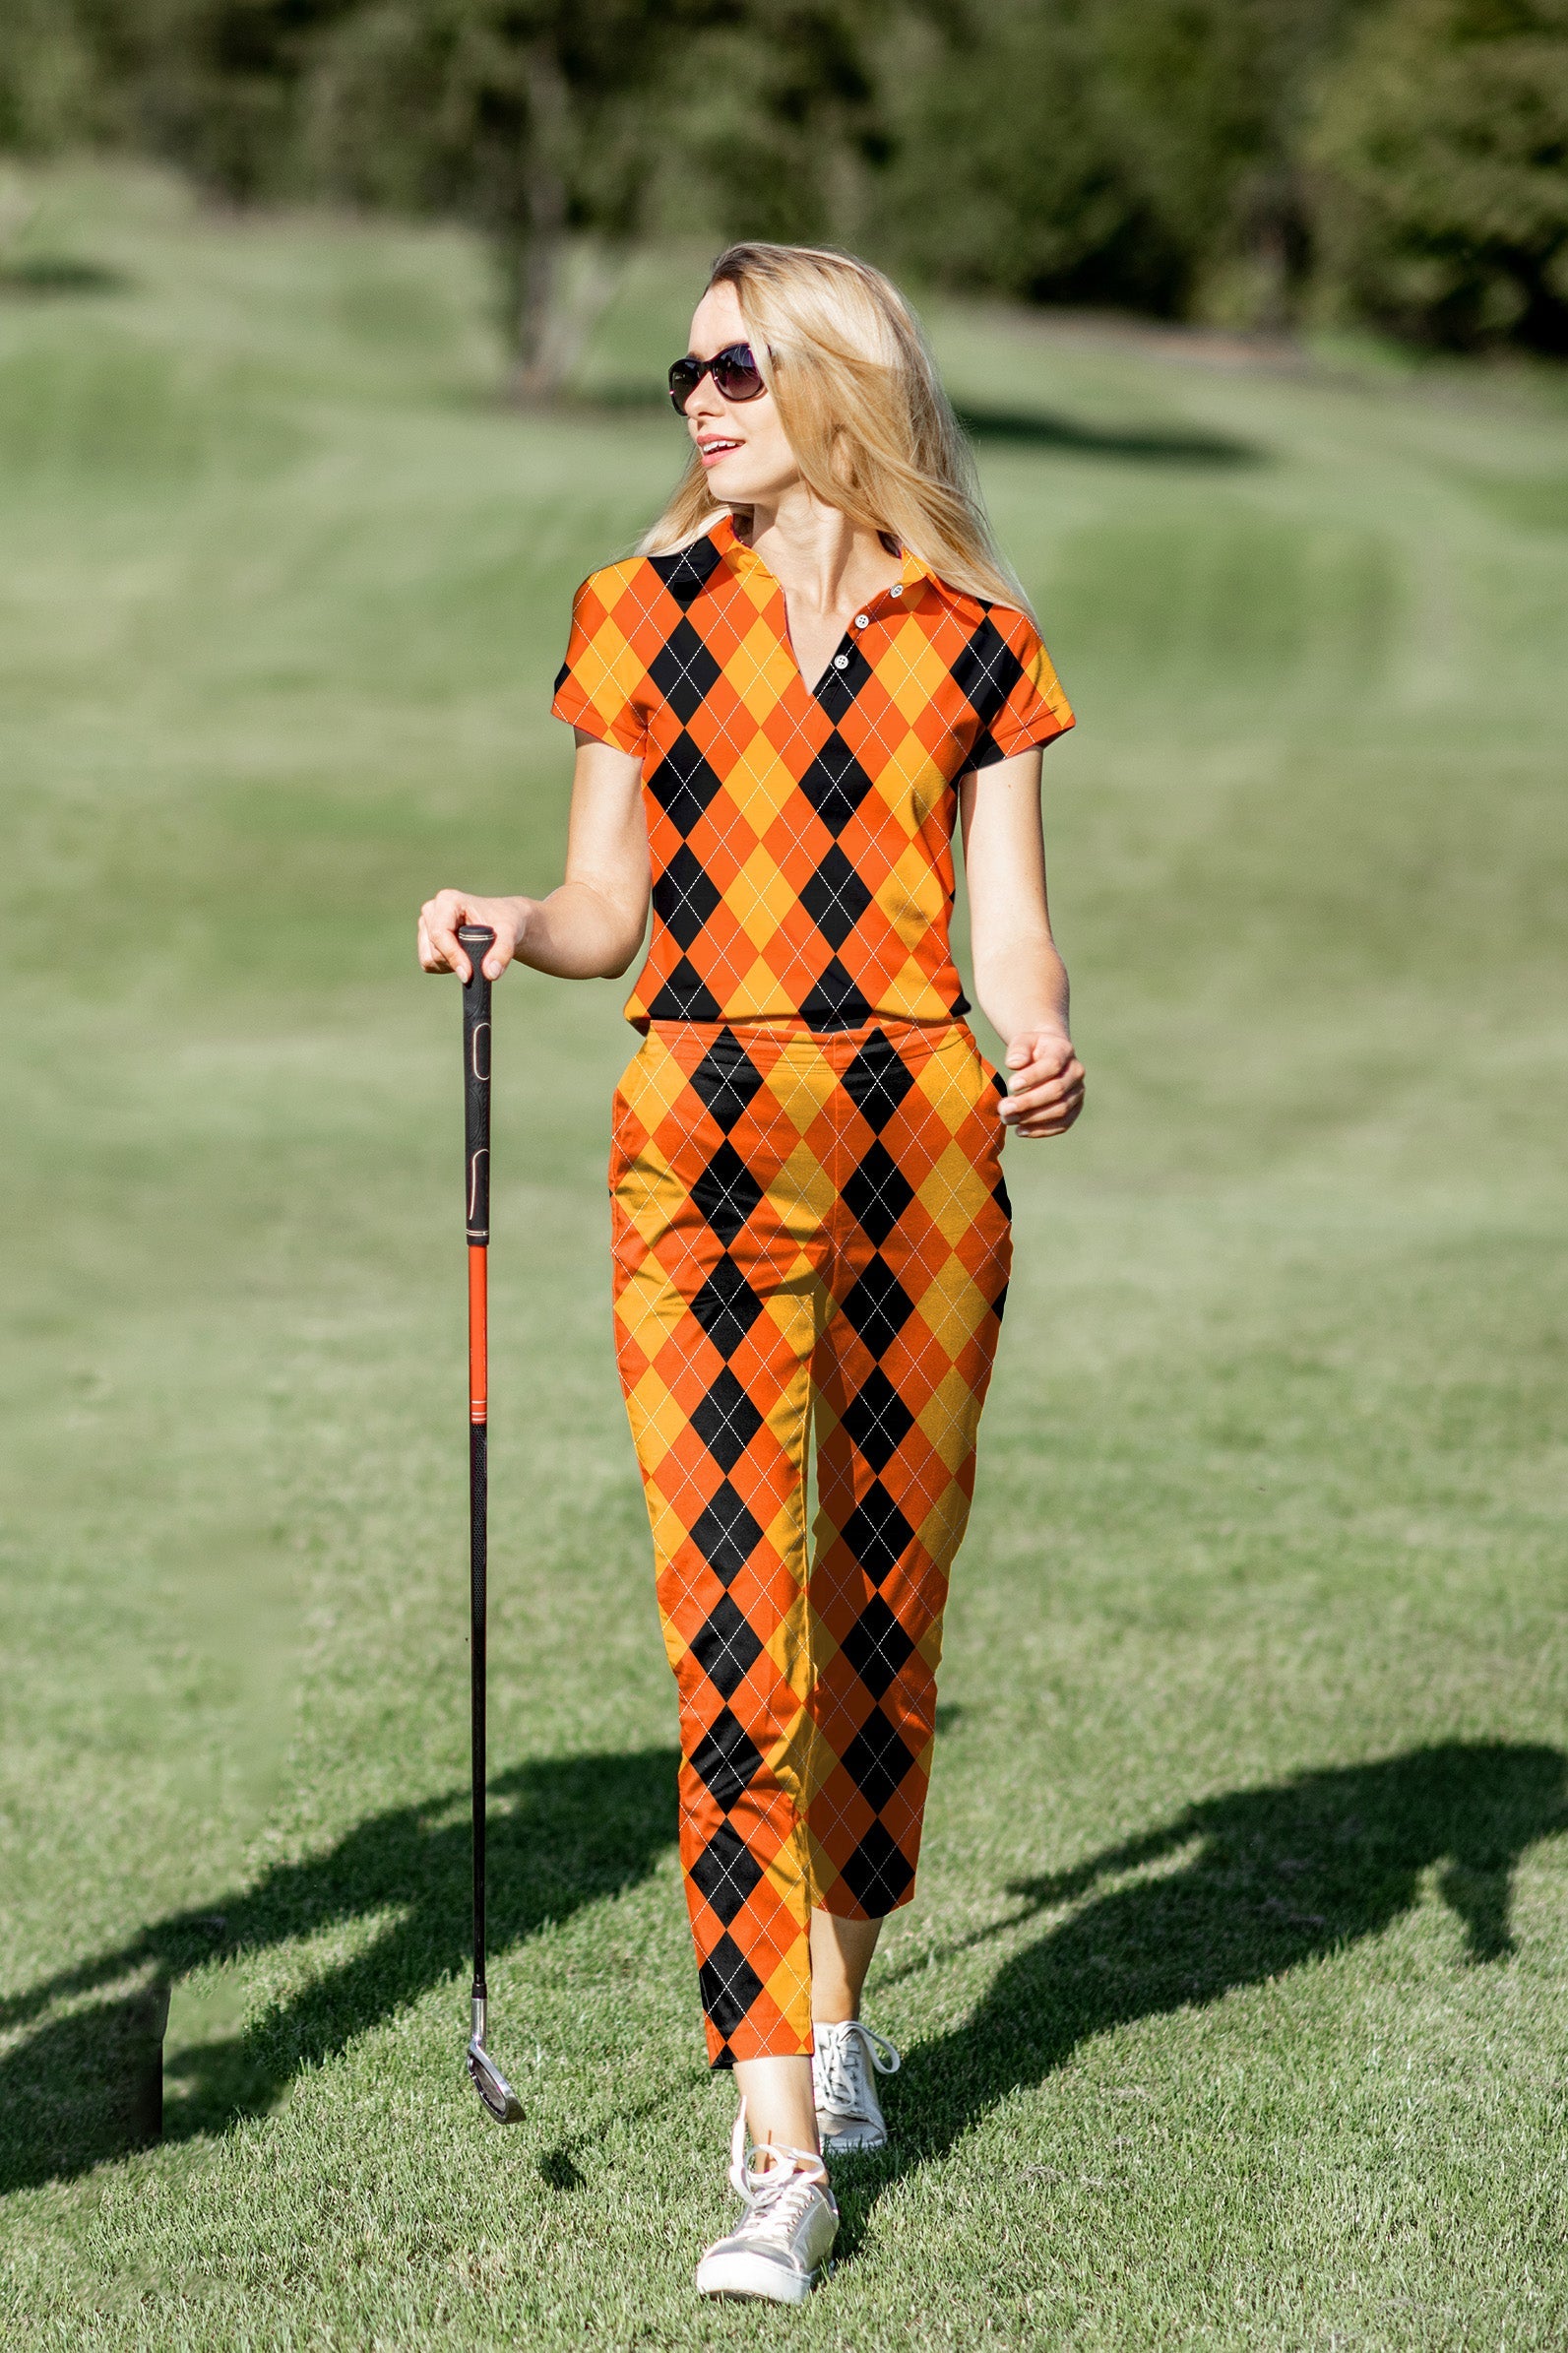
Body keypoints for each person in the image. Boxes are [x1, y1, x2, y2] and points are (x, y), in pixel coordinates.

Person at [417, 240, 1084, 2305]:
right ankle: (774, 2130)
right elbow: (610, 905)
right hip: (695, 1142)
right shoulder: (637, 615)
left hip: (916, 1146)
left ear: (827, 385)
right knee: (731, 1636)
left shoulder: (976, 643)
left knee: (874, 1609)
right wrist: (508, 923)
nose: (693, 400)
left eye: (728, 367)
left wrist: (1041, 1028)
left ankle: (838, 2001)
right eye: (681, 372)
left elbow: (1007, 924)